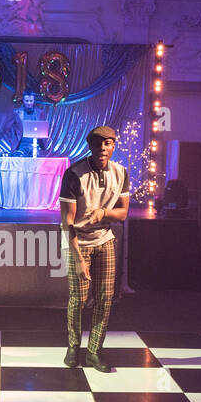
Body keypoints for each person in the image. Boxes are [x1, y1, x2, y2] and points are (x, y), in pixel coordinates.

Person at [59, 125, 129, 372]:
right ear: (90, 145)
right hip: (78, 242)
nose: (102, 147)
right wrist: (78, 258)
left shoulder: (121, 172)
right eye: (98, 143)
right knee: (78, 298)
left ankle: (94, 352)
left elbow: (122, 213)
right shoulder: (74, 174)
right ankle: (73, 347)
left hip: (105, 240)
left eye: (108, 143)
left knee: (105, 298)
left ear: (113, 145)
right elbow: (67, 221)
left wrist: (104, 212)